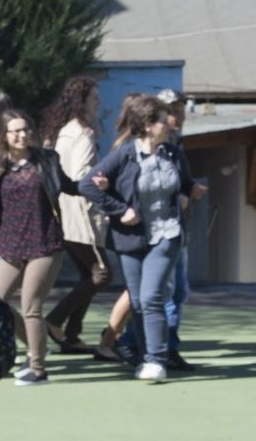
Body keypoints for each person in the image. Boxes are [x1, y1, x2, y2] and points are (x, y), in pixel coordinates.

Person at [80, 93, 196, 384]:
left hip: (167, 234)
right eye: (163, 119)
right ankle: (145, 357)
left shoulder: (173, 154)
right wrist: (120, 210)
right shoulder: (125, 153)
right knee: (138, 302)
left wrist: (188, 194)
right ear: (147, 124)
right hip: (131, 239)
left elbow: (185, 184)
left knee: (151, 296)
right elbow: (87, 185)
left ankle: (157, 360)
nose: (169, 123)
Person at [0, 111, 68, 385]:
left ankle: (38, 368)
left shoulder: (46, 160)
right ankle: (36, 345)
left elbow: (68, 185)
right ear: (5, 136)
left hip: (44, 242)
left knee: (31, 306)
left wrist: (98, 186)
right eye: (15, 131)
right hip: (10, 244)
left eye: (25, 129)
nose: (22, 135)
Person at [40, 76, 112, 356]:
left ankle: (71, 335)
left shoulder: (61, 131)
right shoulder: (83, 133)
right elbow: (82, 175)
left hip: (64, 213)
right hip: (82, 217)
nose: (99, 102)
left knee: (88, 274)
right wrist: (103, 182)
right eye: (94, 97)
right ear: (82, 102)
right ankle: (55, 321)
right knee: (102, 274)